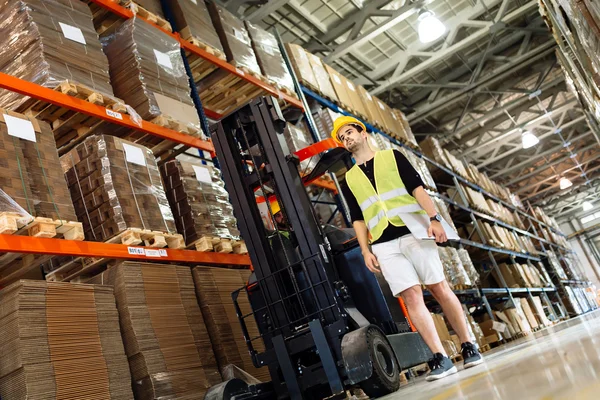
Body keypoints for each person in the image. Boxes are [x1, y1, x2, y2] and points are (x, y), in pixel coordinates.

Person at [332, 116, 483, 381]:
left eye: (349, 132)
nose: (346, 139)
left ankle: (469, 344)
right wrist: (366, 250)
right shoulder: (349, 179)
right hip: (383, 242)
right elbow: (357, 217)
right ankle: (441, 357)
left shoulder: (393, 157)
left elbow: (417, 190)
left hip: (413, 230)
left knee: (439, 287)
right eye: (342, 138)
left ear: (362, 133)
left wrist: (434, 219)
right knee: (412, 297)